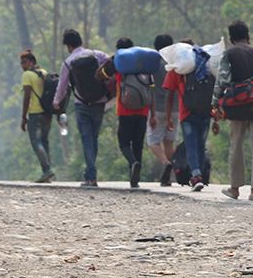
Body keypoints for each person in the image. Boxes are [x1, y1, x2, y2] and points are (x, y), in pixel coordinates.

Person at [213, 19, 253, 201]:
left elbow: (222, 80)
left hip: (237, 106)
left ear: (231, 40)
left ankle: (235, 188)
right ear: (248, 36)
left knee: (236, 144)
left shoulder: (228, 53)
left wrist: (215, 104)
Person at [96, 37, 157, 188]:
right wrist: (153, 114)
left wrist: (109, 60)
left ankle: (133, 163)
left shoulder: (118, 62)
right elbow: (151, 90)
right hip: (143, 110)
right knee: (138, 144)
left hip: (125, 109)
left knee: (124, 143)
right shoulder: (143, 62)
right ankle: (134, 179)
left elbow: (98, 75)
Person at [53, 28, 110, 187]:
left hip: (81, 104)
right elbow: (112, 63)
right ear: (81, 42)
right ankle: (88, 173)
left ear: (68, 46)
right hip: (99, 101)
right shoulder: (97, 55)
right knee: (94, 137)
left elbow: (62, 88)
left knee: (86, 139)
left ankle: (91, 176)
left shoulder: (68, 62)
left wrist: (56, 102)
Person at [164, 39, 217, 191]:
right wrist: (216, 115)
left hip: (186, 113)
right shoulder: (205, 63)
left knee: (191, 145)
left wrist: (168, 118)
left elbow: (169, 95)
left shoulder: (177, 68)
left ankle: (196, 176)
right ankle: (198, 176)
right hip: (206, 112)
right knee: (201, 145)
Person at [19, 49, 54, 183]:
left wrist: (23, 116)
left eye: (25, 62)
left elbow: (27, 96)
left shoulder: (27, 75)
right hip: (47, 113)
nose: (23, 65)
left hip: (35, 113)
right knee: (45, 142)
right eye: (21, 63)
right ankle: (47, 174)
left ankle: (46, 170)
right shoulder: (43, 73)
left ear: (32, 62)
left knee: (36, 141)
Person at [148, 33, 179, 186]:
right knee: (169, 142)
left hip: (158, 108)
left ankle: (165, 162)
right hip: (175, 108)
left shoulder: (154, 65)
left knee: (153, 141)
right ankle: (169, 177)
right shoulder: (175, 65)